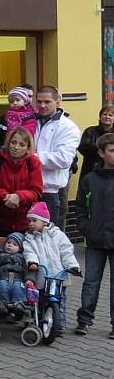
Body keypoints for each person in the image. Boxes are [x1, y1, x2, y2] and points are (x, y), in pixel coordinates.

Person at [75, 133, 114, 337]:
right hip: (95, 239)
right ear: (101, 153)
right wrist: (86, 228)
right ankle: (84, 320)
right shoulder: (91, 179)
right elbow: (80, 207)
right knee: (91, 281)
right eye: (111, 150)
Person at [23, 202, 81, 329]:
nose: (31, 223)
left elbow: (66, 252)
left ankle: (59, 324)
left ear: (44, 221)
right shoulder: (29, 238)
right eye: (29, 221)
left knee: (60, 301)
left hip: (58, 277)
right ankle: (38, 321)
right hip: (42, 277)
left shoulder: (58, 235)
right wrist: (32, 262)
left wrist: (73, 266)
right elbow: (29, 251)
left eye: (34, 220)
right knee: (41, 301)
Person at [33, 86, 81, 230]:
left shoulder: (68, 127)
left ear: (58, 102)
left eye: (47, 102)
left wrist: (31, 158)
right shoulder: (31, 122)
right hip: (29, 187)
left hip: (51, 191)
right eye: (39, 101)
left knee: (50, 238)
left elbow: (63, 159)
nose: (42, 106)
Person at [0, 127, 43, 237]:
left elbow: (36, 191)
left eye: (22, 145)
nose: (16, 147)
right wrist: (6, 196)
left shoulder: (33, 162)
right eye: (13, 142)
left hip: (25, 223)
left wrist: (19, 196)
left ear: (27, 148)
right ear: (8, 143)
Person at [0, 87, 38, 153]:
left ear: (25, 101)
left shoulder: (32, 115)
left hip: (26, 149)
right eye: (11, 101)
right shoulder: (5, 117)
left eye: (17, 100)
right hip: (9, 150)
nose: (14, 103)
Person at [0, 232, 28, 321]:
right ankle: (3, 305)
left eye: (14, 244)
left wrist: (29, 279)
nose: (10, 245)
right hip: (3, 277)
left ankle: (19, 305)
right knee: (1, 286)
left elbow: (27, 270)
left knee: (18, 288)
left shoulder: (22, 257)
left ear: (20, 248)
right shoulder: (0, 255)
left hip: (18, 279)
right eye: (8, 243)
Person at [78, 105, 114, 184]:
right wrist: (101, 148)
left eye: (110, 115)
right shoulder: (90, 131)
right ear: (100, 117)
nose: (107, 117)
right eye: (104, 114)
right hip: (91, 170)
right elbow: (82, 148)